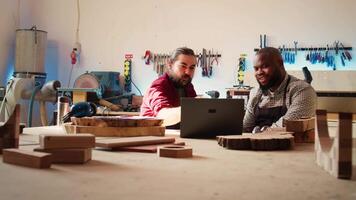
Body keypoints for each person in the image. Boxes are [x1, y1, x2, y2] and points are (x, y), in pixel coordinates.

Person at [243, 47, 317, 133]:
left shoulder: (302, 90)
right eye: (256, 69)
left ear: (280, 64)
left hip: (290, 146)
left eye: (265, 66)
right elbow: (246, 128)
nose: (259, 72)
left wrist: (259, 132)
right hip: (255, 145)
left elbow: (287, 126)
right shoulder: (255, 93)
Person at [140, 47, 197, 127]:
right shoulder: (158, 86)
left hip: (177, 136)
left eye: (192, 67)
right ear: (170, 64)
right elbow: (163, 117)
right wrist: (194, 107)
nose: (187, 72)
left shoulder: (188, 86)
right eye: (183, 66)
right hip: (154, 137)